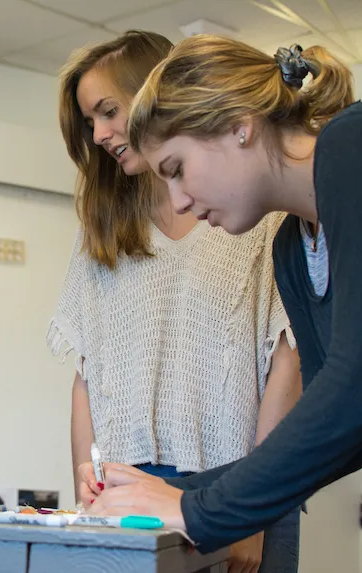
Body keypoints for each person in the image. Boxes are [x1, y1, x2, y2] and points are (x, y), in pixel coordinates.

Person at [88, 34, 360, 557]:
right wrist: (174, 493)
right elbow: (344, 434)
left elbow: (353, 387)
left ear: (240, 125)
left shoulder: (351, 145)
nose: (180, 202)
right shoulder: (292, 252)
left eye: (177, 169)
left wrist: (196, 512)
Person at [49, 31, 302, 571]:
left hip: (242, 484)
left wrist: (252, 511)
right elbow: (87, 372)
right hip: (127, 485)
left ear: (154, 95)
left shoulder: (257, 210)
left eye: (108, 111)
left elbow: (289, 358)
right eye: (89, 121)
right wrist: (86, 483)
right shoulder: (102, 227)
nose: (98, 134)